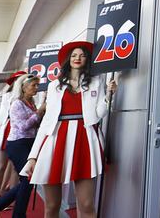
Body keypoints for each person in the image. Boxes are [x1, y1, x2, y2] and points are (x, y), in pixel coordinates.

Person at [23, 41, 117, 218]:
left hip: (85, 139)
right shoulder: (54, 85)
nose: (77, 58)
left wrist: (109, 97)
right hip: (55, 140)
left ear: (87, 60)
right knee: (52, 206)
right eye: (74, 55)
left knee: (87, 205)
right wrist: (33, 156)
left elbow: (98, 115)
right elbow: (47, 121)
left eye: (81, 55)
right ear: (68, 59)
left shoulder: (97, 82)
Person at [0, 74, 46, 218]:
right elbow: (23, 126)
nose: (36, 88)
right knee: (27, 180)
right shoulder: (17, 103)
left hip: (28, 143)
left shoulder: (31, 103)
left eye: (37, 85)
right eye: (33, 85)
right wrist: (40, 111)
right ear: (23, 88)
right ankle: (10, 213)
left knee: (27, 181)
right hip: (17, 144)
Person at [0, 71, 26, 202]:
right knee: (1, 166)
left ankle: (8, 198)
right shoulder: (7, 96)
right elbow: (1, 116)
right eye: (18, 79)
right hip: (7, 130)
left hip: (21, 132)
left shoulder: (28, 96)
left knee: (15, 168)